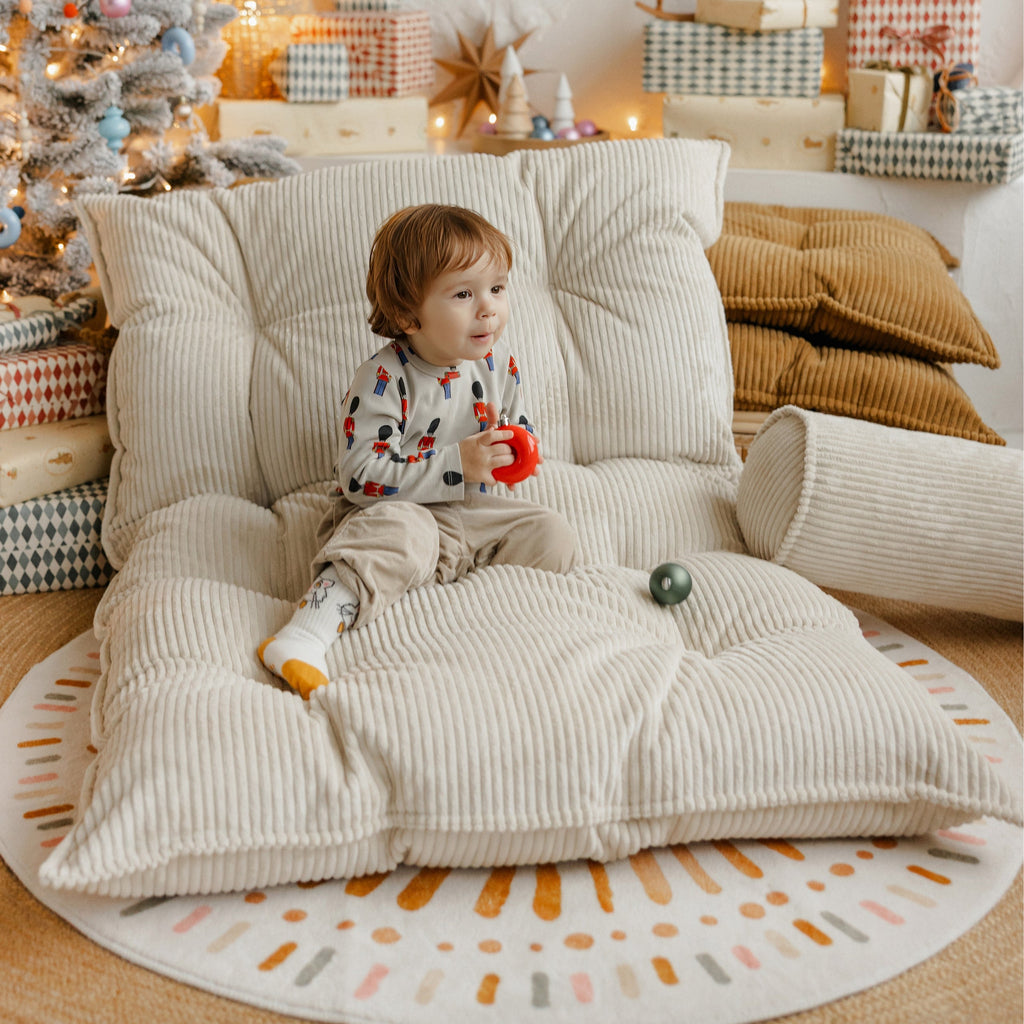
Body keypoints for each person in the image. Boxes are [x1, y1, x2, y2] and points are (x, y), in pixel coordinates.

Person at [258, 204, 579, 698]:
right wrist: (458, 463)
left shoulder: (497, 365)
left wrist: (513, 448)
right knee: (406, 532)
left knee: (550, 533)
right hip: (385, 513)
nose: (488, 307)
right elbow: (360, 477)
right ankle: (304, 634)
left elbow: (519, 429)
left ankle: (466, 613)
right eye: (463, 294)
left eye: (497, 288)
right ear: (409, 315)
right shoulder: (385, 378)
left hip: (463, 513)